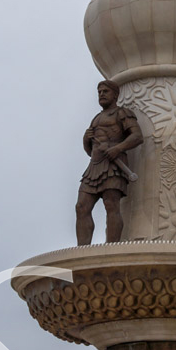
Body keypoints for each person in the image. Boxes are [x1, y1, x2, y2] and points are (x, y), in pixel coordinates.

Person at [75, 80, 143, 245]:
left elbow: (137, 136)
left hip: (113, 165)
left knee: (111, 205)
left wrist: (118, 148)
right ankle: (82, 248)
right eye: (99, 92)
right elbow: (90, 151)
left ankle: (112, 246)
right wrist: (86, 140)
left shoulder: (122, 113)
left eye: (105, 91)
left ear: (115, 94)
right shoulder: (96, 118)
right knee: (81, 207)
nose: (101, 94)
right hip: (94, 166)